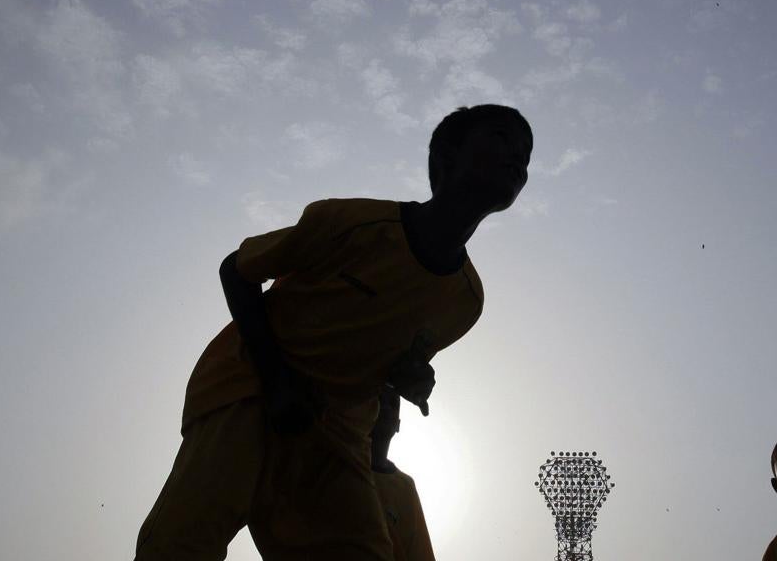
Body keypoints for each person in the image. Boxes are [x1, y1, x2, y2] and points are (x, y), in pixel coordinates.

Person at [134, 104, 533, 561]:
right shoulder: (349, 224)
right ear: (447, 154)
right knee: (179, 545)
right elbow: (237, 270)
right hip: (247, 391)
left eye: (526, 152)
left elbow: (387, 360)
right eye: (503, 138)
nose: (518, 157)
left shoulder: (466, 302)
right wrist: (278, 382)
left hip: (336, 434)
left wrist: (412, 377)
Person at [370, 386, 436, 561]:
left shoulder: (405, 487)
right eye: (379, 401)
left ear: (398, 425)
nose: (385, 408)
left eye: (392, 403)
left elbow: (419, 551)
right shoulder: (339, 463)